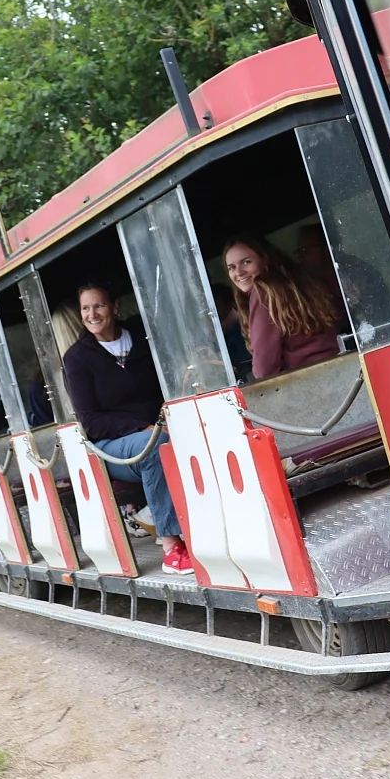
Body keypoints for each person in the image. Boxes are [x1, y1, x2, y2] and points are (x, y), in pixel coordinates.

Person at [62, 281, 192, 574]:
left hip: (159, 426)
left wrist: (168, 411)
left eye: (99, 305)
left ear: (115, 308)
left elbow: (167, 381)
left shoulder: (141, 340)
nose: (92, 313)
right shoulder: (77, 358)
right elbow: (91, 421)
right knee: (156, 447)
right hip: (110, 445)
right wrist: (143, 427)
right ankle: (172, 547)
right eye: (86, 308)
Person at [224, 233, 342, 380]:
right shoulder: (299, 283)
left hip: (309, 381)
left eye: (246, 262)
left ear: (264, 259)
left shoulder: (263, 292)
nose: (239, 272)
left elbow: (265, 367)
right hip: (339, 367)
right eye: (232, 267)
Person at [211, 282, 253, 382]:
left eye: (216, 303)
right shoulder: (213, 334)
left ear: (230, 304)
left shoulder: (244, 328)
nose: (212, 309)